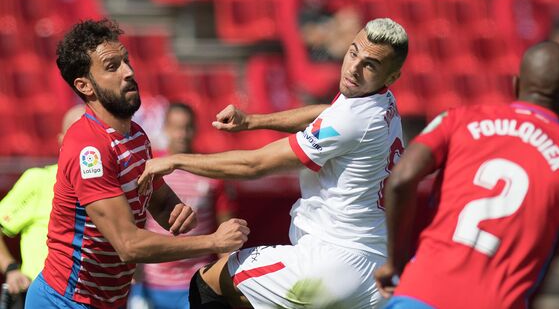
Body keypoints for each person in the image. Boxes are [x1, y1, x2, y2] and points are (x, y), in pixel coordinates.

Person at [137, 18, 408, 309]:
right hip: (373, 269)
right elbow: (327, 114)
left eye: (370, 65)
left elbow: (256, 165)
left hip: (329, 263)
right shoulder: (383, 102)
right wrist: (254, 121)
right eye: (353, 52)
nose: (354, 68)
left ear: (391, 76)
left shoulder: (351, 119)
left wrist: (177, 161)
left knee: (210, 282)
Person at [24, 19, 249, 309]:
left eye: (126, 61)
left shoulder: (136, 136)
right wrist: (212, 242)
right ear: (84, 85)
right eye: (112, 66)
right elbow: (129, 245)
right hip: (64, 302)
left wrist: (174, 211)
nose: (129, 72)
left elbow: (157, 197)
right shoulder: (89, 148)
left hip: (108, 301)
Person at [374, 41, 559, 309]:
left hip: (420, 293)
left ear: (516, 84)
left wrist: (395, 262)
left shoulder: (459, 120)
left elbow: (401, 180)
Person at [130, 103, 236, 309]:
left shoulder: (212, 172)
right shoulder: (149, 169)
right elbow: (135, 225)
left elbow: (225, 227)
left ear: (195, 129)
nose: (182, 134)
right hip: (152, 283)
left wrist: (229, 277)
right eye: (176, 127)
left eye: (187, 127)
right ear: (165, 129)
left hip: (197, 280)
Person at [0, 105, 85, 309]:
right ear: (61, 141)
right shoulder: (38, 180)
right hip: (42, 298)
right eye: (78, 133)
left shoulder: (109, 187)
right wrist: (11, 268)